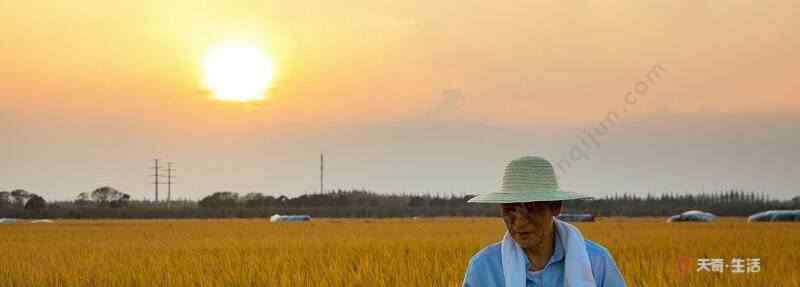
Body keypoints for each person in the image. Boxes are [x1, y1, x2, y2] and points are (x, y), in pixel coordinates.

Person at [463, 156, 626, 287]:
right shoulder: (485, 267)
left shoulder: (597, 262)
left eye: (531, 208)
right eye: (510, 210)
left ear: (556, 207)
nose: (519, 223)